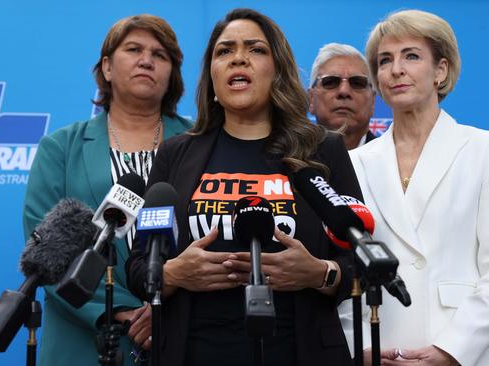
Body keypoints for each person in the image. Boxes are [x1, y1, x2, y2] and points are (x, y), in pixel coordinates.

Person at [126, 8, 360, 366]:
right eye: (224, 51)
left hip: (301, 352)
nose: (238, 58)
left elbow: (359, 259)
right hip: (192, 353)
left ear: (277, 70)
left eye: (255, 49)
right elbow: (140, 266)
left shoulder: (322, 150)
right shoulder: (175, 154)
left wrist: (318, 272)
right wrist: (173, 274)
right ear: (213, 78)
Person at [348, 9, 489, 366]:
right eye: (385, 60)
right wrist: (359, 348)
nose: (396, 69)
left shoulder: (485, 149)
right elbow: (342, 267)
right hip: (381, 347)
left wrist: (451, 351)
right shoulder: (355, 162)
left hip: (462, 350)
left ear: (440, 70)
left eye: (411, 56)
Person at [22, 14, 191, 366]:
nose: (147, 60)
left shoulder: (200, 143)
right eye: (134, 49)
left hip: (185, 332)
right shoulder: (61, 147)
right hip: (83, 343)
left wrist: (165, 300)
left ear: (171, 74)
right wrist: (123, 312)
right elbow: (47, 255)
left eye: (160, 55)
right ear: (107, 68)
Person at [308, 43, 377, 150]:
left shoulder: (394, 162)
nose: (344, 91)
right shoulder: (287, 162)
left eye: (357, 83)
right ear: (311, 99)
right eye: (330, 82)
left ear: (372, 101)